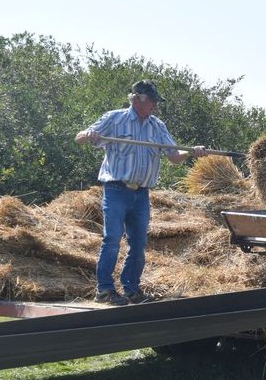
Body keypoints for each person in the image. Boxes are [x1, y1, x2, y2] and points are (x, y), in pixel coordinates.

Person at [75, 80, 207, 305]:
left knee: (138, 243)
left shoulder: (158, 126)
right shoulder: (115, 118)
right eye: (152, 101)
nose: (155, 105)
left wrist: (191, 152)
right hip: (116, 190)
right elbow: (79, 137)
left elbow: (174, 157)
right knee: (112, 239)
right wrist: (88, 135)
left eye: (156, 102)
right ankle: (105, 290)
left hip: (141, 194)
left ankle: (131, 290)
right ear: (137, 99)